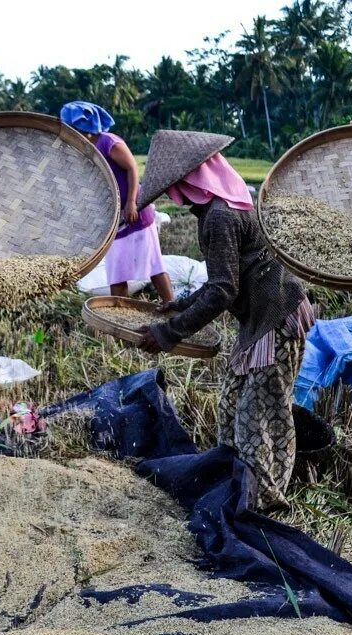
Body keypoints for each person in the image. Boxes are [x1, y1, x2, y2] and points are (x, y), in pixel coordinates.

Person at [133, 130, 315, 511]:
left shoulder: (219, 216)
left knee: (258, 414)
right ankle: (235, 487)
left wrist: (167, 333)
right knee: (232, 404)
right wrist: (180, 305)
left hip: (275, 319)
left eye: (176, 186)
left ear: (192, 181)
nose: (174, 195)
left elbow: (222, 292)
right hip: (259, 319)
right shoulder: (227, 204)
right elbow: (223, 282)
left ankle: (261, 504)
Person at [60, 101, 174, 302]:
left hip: (135, 213)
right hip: (115, 220)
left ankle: (172, 308)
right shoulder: (85, 148)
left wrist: (131, 202)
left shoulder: (109, 142)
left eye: (74, 129)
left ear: (84, 128)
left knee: (154, 267)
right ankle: (120, 321)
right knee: (117, 274)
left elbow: (132, 168)